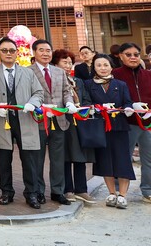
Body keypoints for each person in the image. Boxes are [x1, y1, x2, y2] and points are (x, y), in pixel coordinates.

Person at [0, 36, 43, 208]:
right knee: (4, 158)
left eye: (12, 50)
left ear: (17, 53)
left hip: (24, 119)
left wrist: (31, 104)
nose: (8, 53)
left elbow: (39, 93)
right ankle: (6, 192)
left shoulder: (28, 72)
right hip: (2, 119)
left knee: (29, 159)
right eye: (4, 50)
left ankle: (31, 193)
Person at [82, 53, 134, 209]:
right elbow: (87, 103)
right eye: (99, 65)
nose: (102, 68)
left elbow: (127, 102)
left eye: (105, 65)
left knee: (122, 159)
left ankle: (123, 195)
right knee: (105, 160)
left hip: (119, 126)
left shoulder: (121, 84)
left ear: (111, 66)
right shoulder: (88, 84)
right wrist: (95, 109)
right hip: (100, 127)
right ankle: (111, 193)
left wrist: (128, 109)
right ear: (94, 68)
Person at [29, 39, 71, 205]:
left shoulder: (59, 72)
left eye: (48, 50)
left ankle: (58, 191)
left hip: (59, 121)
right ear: (34, 52)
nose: (45, 53)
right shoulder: (27, 72)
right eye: (41, 50)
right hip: (38, 121)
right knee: (37, 159)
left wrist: (68, 103)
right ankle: (38, 191)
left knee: (58, 159)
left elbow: (66, 91)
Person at [52, 49, 95, 203]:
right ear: (55, 63)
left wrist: (84, 109)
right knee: (65, 156)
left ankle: (82, 189)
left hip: (79, 122)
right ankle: (67, 189)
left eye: (70, 62)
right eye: (64, 62)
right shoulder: (54, 80)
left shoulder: (78, 81)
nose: (68, 65)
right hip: (63, 122)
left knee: (80, 156)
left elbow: (87, 99)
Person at [111, 42, 151, 204]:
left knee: (148, 159)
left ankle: (148, 190)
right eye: (128, 54)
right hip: (126, 122)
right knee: (123, 157)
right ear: (120, 56)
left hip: (148, 124)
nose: (133, 57)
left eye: (136, 54)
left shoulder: (148, 75)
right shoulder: (114, 74)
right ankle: (116, 192)